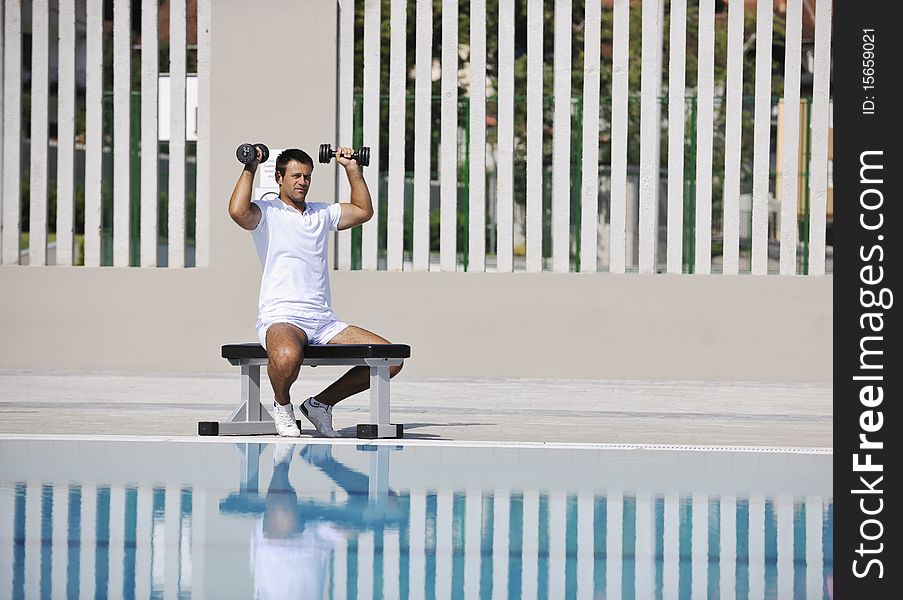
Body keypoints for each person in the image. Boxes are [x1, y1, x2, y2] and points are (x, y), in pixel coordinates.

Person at [228, 145, 403, 438]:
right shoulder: (266, 213)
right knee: (285, 356)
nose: (302, 182)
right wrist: (250, 165)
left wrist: (351, 168)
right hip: (283, 316)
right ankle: (283, 407)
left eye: (307, 176)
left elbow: (363, 211)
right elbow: (237, 211)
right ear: (279, 178)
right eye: (296, 175)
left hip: (323, 321)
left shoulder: (321, 213)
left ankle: (320, 404)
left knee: (391, 359)